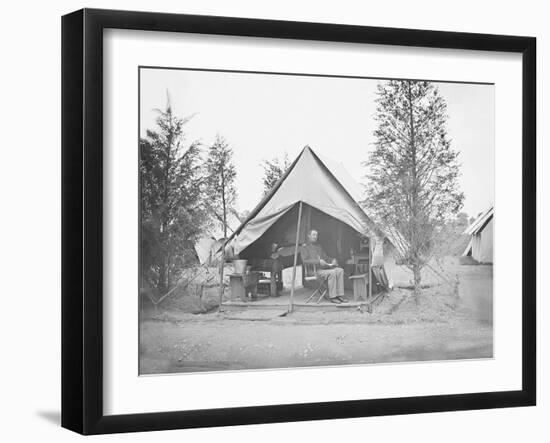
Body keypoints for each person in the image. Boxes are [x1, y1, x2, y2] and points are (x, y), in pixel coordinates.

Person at [300, 229, 348, 303]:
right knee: (332, 272)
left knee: (339, 270)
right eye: (313, 235)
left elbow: (325, 257)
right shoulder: (304, 247)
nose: (315, 237)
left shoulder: (319, 246)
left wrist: (332, 260)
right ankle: (332, 296)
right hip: (313, 271)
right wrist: (317, 261)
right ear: (308, 236)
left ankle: (340, 295)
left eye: (316, 235)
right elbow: (305, 261)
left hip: (323, 269)